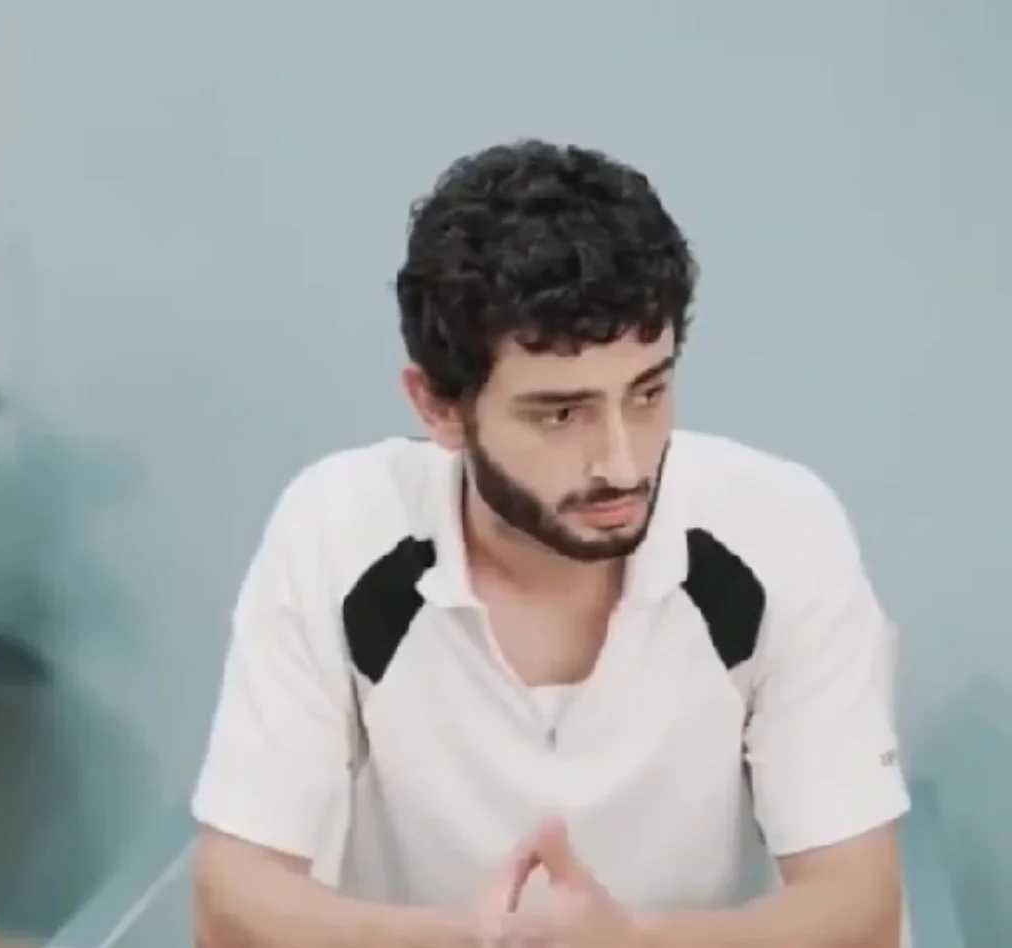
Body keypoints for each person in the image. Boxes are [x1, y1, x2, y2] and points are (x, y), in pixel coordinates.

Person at [191, 140, 908, 948]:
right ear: (438, 407)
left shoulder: (781, 530)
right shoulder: (337, 529)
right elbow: (230, 905)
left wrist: (632, 946)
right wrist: (471, 942)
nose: (623, 464)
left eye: (648, 392)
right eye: (561, 414)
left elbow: (861, 911)